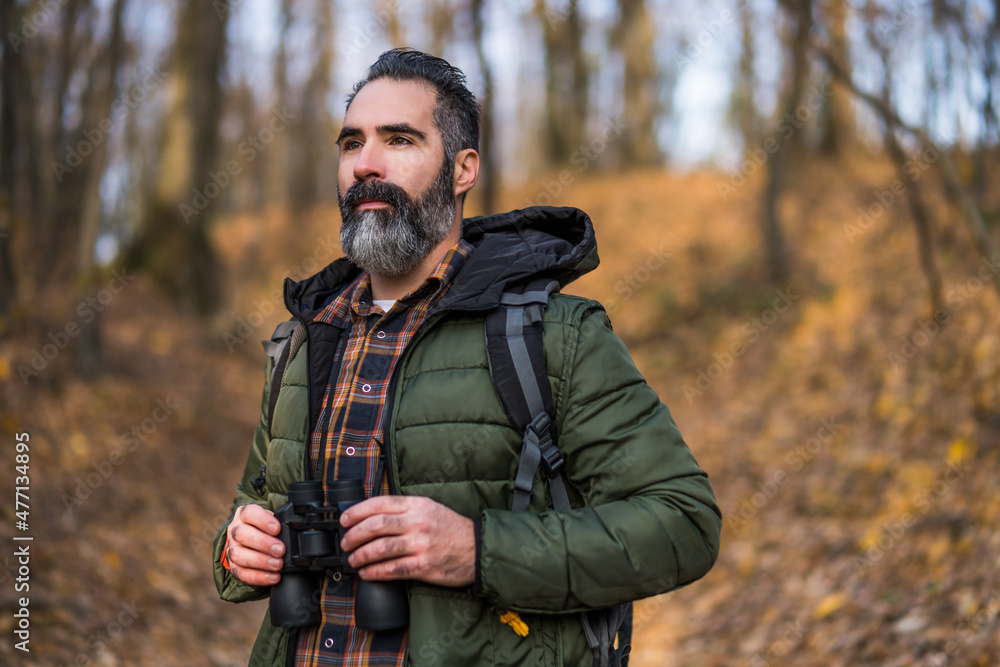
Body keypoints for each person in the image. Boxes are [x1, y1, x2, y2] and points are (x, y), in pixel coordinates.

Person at [213, 48, 721, 667]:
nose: (365, 165)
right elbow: (250, 507)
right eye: (351, 144)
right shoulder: (302, 339)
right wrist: (238, 550)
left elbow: (683, 524)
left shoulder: (553, 335)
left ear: (462, 169)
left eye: (399, 140)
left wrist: (477, 551)